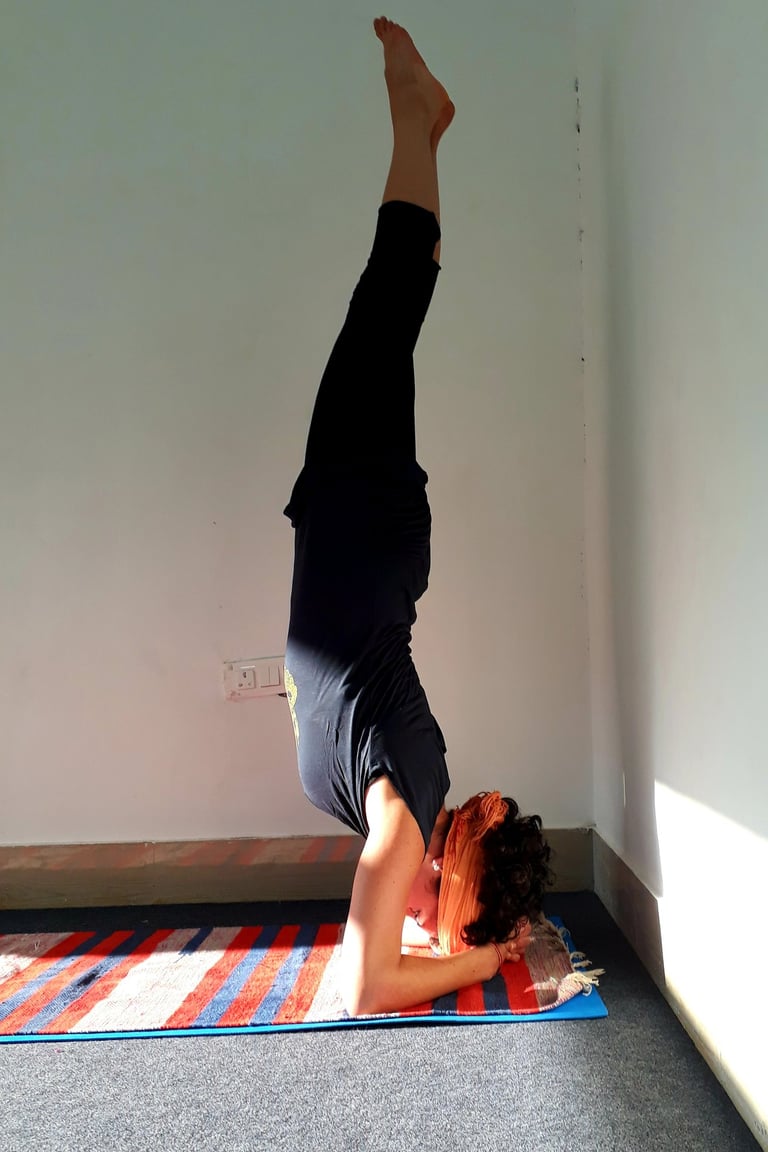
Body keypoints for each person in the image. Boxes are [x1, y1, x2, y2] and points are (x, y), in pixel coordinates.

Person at [283, 16, 553, 1016]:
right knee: (385, 301)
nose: (415, 918)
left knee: (389, 307)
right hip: (362, 520)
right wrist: (477, 965)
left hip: (358, 531)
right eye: (437, 915)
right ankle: (415, 117)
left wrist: (470, 939)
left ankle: (423, 131)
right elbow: (367, 988)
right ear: (443, 869)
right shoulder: (405, 818)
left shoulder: (406, 807)